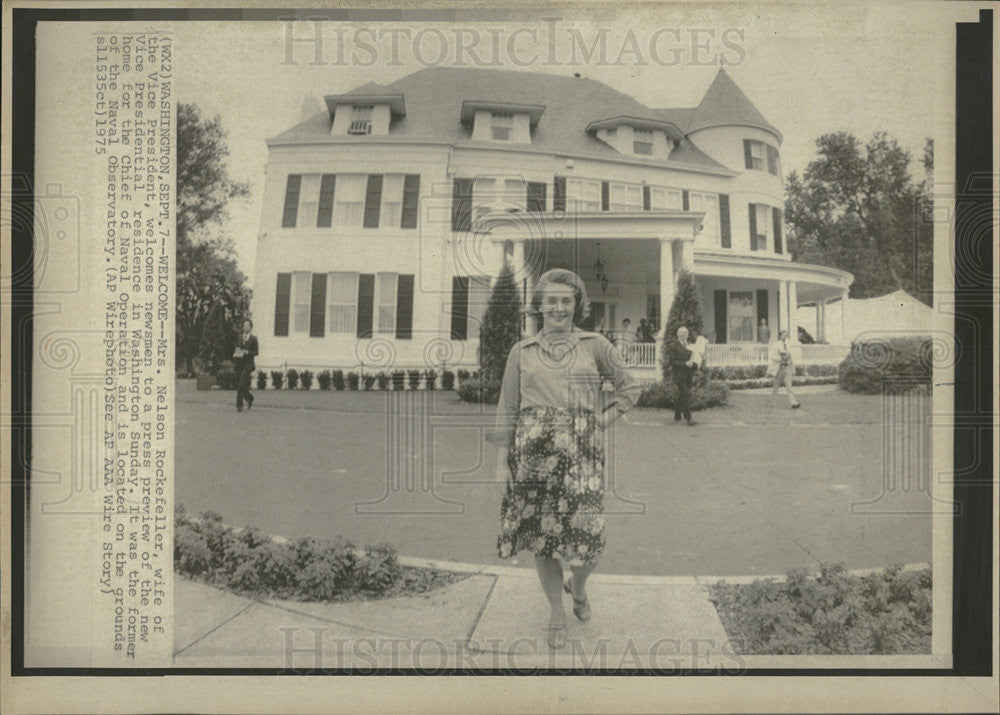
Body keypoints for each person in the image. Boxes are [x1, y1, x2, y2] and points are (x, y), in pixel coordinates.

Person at [488, 268, 640, 650]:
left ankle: (579, 586)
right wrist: (500, 460)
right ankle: (556, 610)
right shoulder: (521, 352)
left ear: (577, 304)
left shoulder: (594, 345)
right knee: (543, 541)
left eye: (566, 300)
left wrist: (600, 422)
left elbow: (629, 386)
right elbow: (507, 407)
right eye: (551, 300)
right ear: (538, 306)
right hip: (532, 458)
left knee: (588, 539)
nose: (558, 307)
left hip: (582, 457)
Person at [665, 326, 697, 425]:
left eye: (684, 333)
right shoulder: (673, 346)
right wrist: (685, 364)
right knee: (686, 394)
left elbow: (693, 358)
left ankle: (677, 415)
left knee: (682, 395)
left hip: (688, 375)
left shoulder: (690, 345)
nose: (683, 334)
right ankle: (689, 418)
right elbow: (672, 362)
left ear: (687, 334)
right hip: (679, 375)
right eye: (681, 333)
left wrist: (695, 363)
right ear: (677, 334)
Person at [768, 329, 801, 408]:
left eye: (786, 335)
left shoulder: (788, 345)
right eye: (783, 335)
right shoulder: (776, 345)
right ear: (780, 335)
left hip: (788, 367)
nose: (785, 337)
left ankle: (793, 402)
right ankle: (772, 402)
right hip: (779, 367)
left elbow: (791, 355)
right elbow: (772, 357)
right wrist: (781, 358)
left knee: (789, 386)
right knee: (776, 385)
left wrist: (791, 364)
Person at [233, 318, 259, 413]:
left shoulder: (253, 339)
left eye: (248, 325)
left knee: (241, 384)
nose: (246, 327)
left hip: (249, 364)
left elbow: (256, 352)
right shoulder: (240, 337)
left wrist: (247, 352)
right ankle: (250, 398)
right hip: (240, 363)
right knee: (240, 385)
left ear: (251, 327)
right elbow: (237, 347)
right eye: (244, 325)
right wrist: (237, 351)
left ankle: (239, 405)